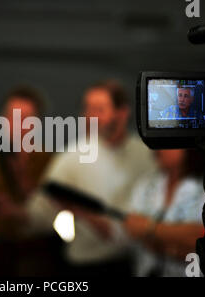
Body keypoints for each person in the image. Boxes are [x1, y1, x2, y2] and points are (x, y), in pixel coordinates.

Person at [24, 79, 156, 276]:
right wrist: (18, 214)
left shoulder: (147, 154)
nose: (89, 116)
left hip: (135, 263)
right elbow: (40, 209)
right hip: (87, 265)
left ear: (122, 112)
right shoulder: (72, 157)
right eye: (87, 109)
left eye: (99, 109)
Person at [0, 85, 52, 239]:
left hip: (38, 246)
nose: (16, 125)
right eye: (10, 116)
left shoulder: (49, 162)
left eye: (24, 119)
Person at [122, 149, 205, 276]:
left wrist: (149, 228)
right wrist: (177, 242)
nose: (159, 148)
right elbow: (130, 228)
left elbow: (204, 239)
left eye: (169, 141)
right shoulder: (145, 184)